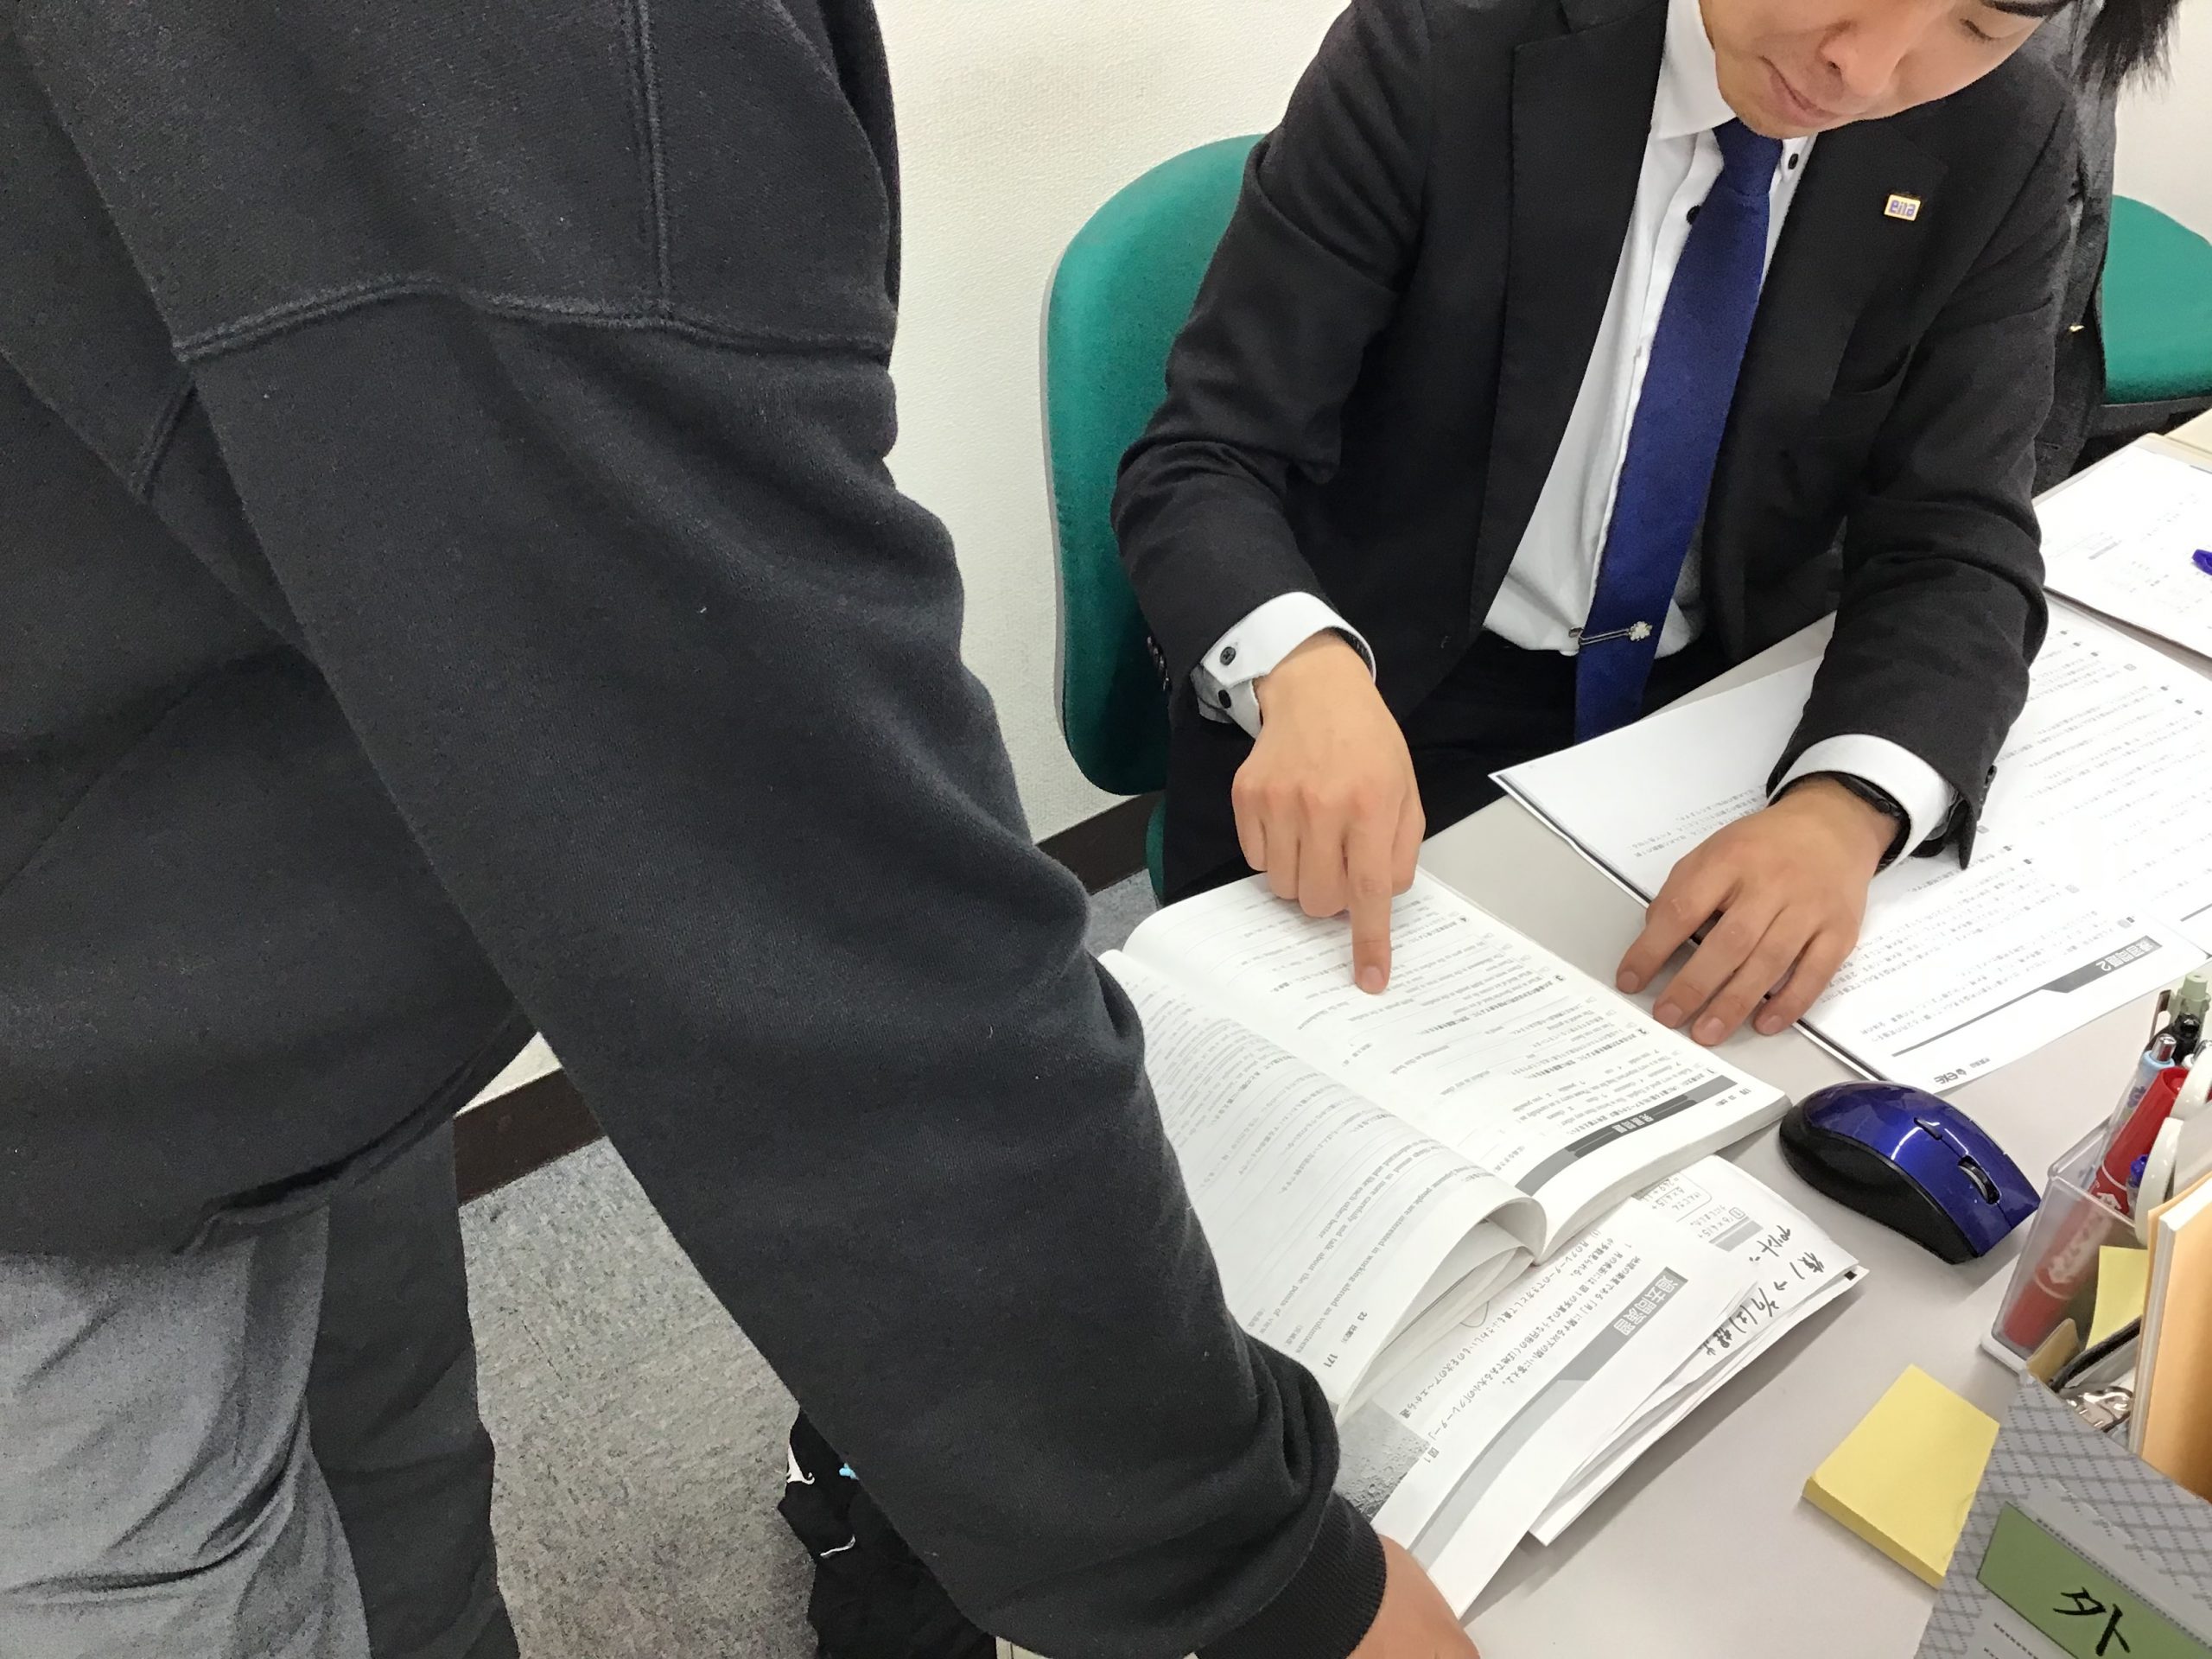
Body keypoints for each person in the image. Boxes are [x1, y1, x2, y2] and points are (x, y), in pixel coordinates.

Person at [0, 6, 1471, 1659]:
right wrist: (1257, 1574)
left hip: (276, 844)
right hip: (59, 1079)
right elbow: (803, 874)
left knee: (401, 1500)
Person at [1115, 0, 2179, 1046]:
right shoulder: (1441, 42)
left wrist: (1846, 806)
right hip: (1383, 694)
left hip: (1707, 725)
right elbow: (1208, 453)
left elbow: (1953, 533)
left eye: (1978, 31)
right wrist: (1304, 676)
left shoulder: (1998, 133)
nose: (1863, 70)